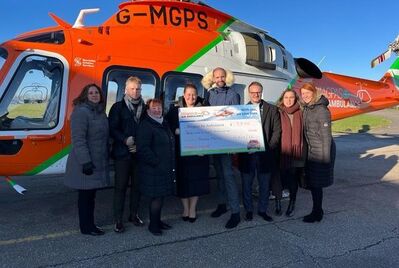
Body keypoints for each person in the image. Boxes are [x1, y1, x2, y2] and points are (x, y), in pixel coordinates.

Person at [64, 84, 110, 236]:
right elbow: (78, 140)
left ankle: (90, 224)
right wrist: (85, 162)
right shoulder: (81, 112)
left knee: (91, 196)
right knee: (85, 196)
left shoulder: (100, 113)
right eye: (91, 93)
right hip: (84, 163)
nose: (94, 95)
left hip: (97, 161)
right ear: (85, 95)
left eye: (96, 92)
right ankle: (87, 227)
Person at [201, 67, 241, 229]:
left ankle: (235, 212)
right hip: (213, 141)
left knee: (228, 175)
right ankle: (222, 204)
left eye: (222, 76)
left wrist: (234, 144)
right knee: (219, 175)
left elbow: (237, 118)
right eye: (216, 77)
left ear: (227, 77)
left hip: (227, 141)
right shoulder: (209, 94)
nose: (219, 79)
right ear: (212, 78)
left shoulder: (233, 94)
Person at [166, 83, 210, 223]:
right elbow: (166, 126)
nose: (191, 97)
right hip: (181, 154)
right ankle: (185, 208)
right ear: (184, 95)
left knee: (196, 182)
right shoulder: (174, 110)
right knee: (183, 182)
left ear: (197, 96)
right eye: (188, 94)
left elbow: (212, 131)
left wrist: (206, 149)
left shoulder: (205, 110)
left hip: (199, 154)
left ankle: (193, 209)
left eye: (194, 94)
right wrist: (175, 130)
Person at [238, 81, 281, 222]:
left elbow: (277, 132)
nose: (256, 94)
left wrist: (267, 148)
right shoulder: (242, 111)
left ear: (261, 92)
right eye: (253, 92)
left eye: (258, 92)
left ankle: (263, 210)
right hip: (247, 155)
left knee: (264, 185)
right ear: (249, 93)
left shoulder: (272, 109)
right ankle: (249, 210)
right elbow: (238, 133)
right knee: (246, 185)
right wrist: (244, 147)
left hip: (265, 155)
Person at [109, 76, 146, 233]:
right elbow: (112, 129)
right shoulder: (117, 107)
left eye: (138, 89)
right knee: (121, 187)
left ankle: (133, 214)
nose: (135, 91)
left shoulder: (145, 108)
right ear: (125, 90)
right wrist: (125, 140)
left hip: (138, 154)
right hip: (122, 155)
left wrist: (138, 144)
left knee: (137, 187)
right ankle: (118, 219)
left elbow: (147, 130)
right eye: (132, 88)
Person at [136, 99, 176, 235]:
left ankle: (157, 221)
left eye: (159, 108)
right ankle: (153, 226)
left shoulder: (163, 123)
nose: (157, 110)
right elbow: (143, 149)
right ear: (148, 110)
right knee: (156, 198)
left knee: (160, 196)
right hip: (154, 169)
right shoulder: (146, 125)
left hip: (163, 168)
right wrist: (156, 162)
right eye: (154, 108)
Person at [300, 82, 335, 223]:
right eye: (303, 94)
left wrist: (325, 159)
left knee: (317, 184)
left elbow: (326, 136)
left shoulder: (321, 110)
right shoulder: (308, 108)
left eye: (307, 93)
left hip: (320, 153)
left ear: (314, 93)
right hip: (311, 151)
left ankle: (317, 212)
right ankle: (317, 210)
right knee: (314, 184)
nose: (305, 96)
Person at [277, 89, 305, 217]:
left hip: (297, 151)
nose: (288, 100)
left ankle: (292, 203)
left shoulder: (302, 112)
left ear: (295, 99)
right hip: (281, 151)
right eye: (286, 97)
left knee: (293, 178)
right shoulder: (277, 112)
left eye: (291, 97)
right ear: (282, 98)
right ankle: (278, 202)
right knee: (279, 178)